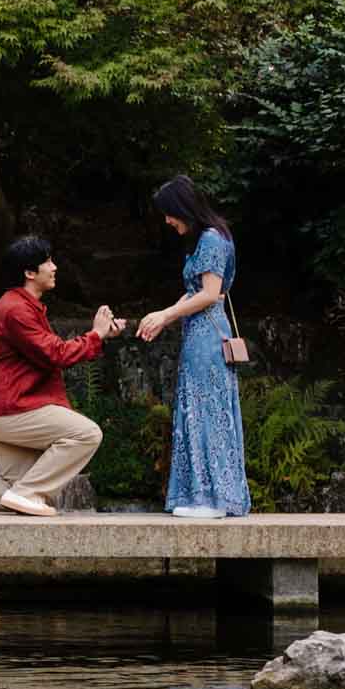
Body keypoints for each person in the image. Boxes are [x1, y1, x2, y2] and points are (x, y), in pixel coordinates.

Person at [0, 234, 116, 518]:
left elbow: (50, 352)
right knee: (87, 434)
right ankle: (27, 493)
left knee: (18, 491)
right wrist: (95, 334)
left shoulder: (22, 306)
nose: (54, 267)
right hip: (11, 409)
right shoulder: (16, 310)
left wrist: (101, 335)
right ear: (29, 272)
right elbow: (57, 354)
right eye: (47, 261)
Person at [137, 175, 249, 519]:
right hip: (200, 333)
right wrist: (162, 316)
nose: (168, 221)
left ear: (183, 208)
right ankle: (204, 495)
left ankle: (213, 499)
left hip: (207, 338)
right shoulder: (210, 238)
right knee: (200, 410)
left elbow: (210, 294)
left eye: (169, 214)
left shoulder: (211, 240)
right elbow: (197, 292)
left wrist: (166, 315)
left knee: (206, 412)